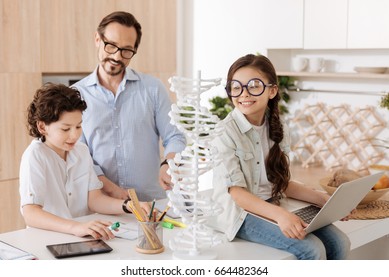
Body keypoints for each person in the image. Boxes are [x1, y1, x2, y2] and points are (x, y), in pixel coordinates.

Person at [209, 54, 351, 260]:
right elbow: (238, 195)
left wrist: (324, 200)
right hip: (241, 215)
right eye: (236, 87)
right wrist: (281, 216)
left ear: (272, 90)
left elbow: (282, 183)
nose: (244, 94)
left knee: (340, 243)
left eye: (254, 85)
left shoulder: (278, 126)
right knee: (312, 250)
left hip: (274, 204)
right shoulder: (224, 132)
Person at [73, 11, 186, 201]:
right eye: (111, 46)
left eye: (126, 50)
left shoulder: (152, 88)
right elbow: (79, 156)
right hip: (101, 206)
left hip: (151, 203)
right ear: (97, 39)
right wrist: (114, 192)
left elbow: (174, 135)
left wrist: (169, 163)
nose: (117, 56)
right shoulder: (76, 95)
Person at [19, 83, 150, 240]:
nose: (74, 135)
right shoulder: (35, 155)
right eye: (65, 129)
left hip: (83, 235)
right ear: (42, 126)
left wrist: (129, 206)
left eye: (78, 126)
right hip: (49, 238)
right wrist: (76, 227)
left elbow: (94, 200)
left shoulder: (81, 151)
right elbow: (31, 213)